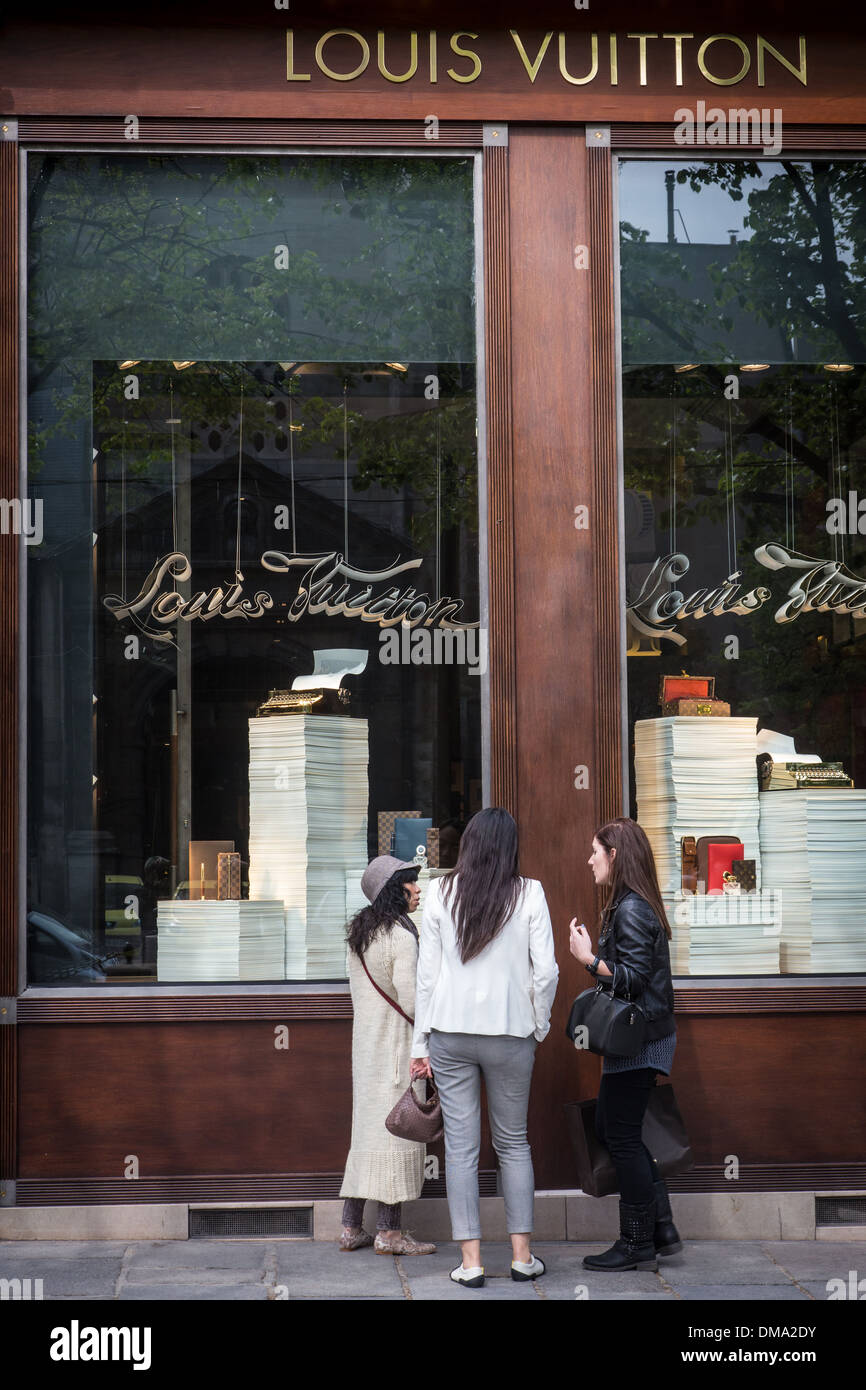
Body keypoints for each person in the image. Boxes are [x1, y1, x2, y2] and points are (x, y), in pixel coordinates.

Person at [410, 807, 559, 1288]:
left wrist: (420, 1043)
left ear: (468, 844)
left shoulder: (440, 892)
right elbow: (548, 972)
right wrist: (538, 1023)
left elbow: (426, 976)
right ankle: (522, 1257)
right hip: (511, 1033)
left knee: (461, 1149)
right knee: (514, 1144)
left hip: (450, 1033)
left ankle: (471, 1262)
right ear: (510, 846)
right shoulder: (530, 892)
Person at [568, 816, 682, 1272]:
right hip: (639, 1038)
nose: (589, 859)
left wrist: (589, 959)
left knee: (622, 1137)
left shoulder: (632, 908)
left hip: (639, 1040)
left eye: (595, 851)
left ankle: (637, 1243)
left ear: (614, 856)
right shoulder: (632, 904)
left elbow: (631, 981)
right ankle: (662, 1229)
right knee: (620, 1133)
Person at [339, 854, 436, 1256]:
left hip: (366, 1049)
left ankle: (349, 1227)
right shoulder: (401, 936)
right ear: (396, 891)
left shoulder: (361, 935)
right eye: (412, 883)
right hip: (399, 1048)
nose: (418, 889)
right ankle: (390, 1233)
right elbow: (413, 1001)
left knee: (367, 1134)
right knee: (399, 1133)